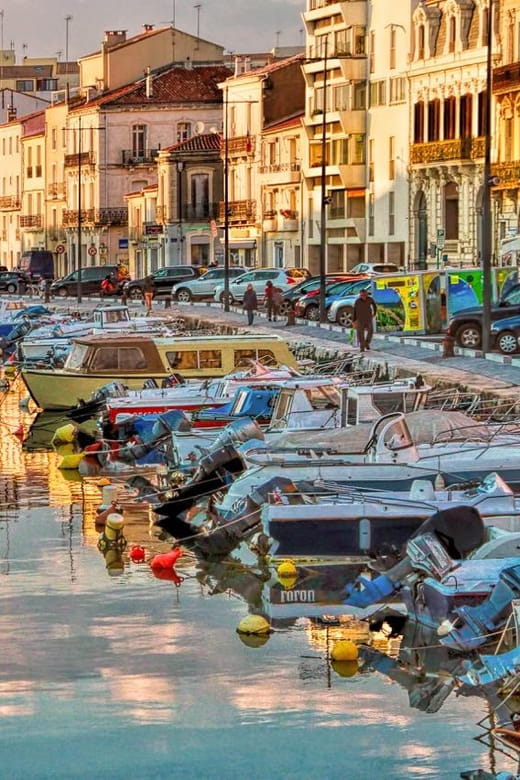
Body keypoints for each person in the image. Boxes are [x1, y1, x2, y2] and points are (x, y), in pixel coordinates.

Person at [353, 287, 377, 352]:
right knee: (360, 333)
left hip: (368, 318)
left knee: (370, 331)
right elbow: (354, 311)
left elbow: (374, 306)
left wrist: (374, 313)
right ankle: (362, 347)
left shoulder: (370, 299)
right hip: (360, 319)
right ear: (360, 295)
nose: (363, 296)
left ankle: (367, 343)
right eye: (362, 295)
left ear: (367, 294)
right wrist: (354, 320)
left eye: (364, 295)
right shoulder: (357, 301)